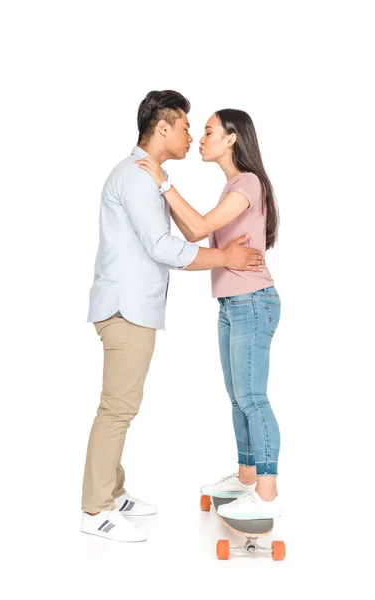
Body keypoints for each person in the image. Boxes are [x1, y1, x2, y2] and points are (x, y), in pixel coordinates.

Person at [81, 92, 264, 543]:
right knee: (118, 407)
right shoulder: (138, 176)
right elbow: (165, 248)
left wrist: (167, 186)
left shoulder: (148, 176)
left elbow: (189, 228)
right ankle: (95, 508)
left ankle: (113, 490)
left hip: (132, 307)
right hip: (126, 308)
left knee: (122, 403)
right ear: (162, 128)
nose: (190, 135)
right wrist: (226, 257)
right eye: (186, 126)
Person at [136, 108, 281, 520]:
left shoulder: (248, 183)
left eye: (208, 131)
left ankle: (268, 492)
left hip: (253, 301)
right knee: (238, 400)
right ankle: (247, 477)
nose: (200, 138)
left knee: (253, 399)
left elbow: (198, 230)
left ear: (232, 138)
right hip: (233, 304)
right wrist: (170, 196)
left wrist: (163, 182)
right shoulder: (232, 187)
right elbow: (191, 230)